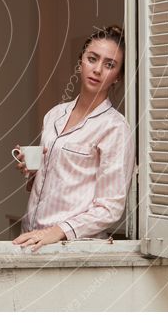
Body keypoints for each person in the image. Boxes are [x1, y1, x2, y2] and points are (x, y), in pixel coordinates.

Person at [12, 25, 136, 252]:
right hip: (30, 238)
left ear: (117, 76)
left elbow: (110, 207)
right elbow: (64, 177)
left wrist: (57, 231)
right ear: (81, 61)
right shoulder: (55, 115)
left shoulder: (115, 128)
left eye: (109, 65)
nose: (97, 69)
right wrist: (33, 169)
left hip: (73, 248)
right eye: (92, 58)